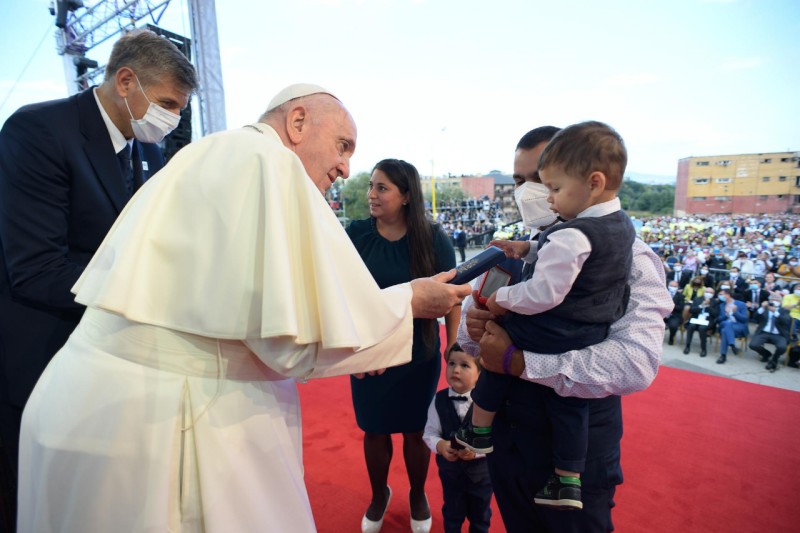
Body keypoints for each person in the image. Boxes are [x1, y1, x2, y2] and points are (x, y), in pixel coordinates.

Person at [16, 84, 471, 533]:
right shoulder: (269, 165)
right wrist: (408, 301)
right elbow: (288, 342)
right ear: (297, 122)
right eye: (342, 145)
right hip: (162, 420)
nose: (344, 166)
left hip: (88, 402)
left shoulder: (210, 152)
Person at [0, 28, 197, 529]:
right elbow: (37, 269)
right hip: (40, 356)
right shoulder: (39, 131)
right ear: (127, 81)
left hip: (110, 360)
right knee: (37, 501)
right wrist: (154, 291)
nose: (172, 119)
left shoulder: (148, 152)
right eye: (169, 104)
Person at [459, 126, 672, 532]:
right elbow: (469, 344)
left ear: (587, 180)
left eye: (539, 180)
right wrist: (475, 326)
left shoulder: (631, 258)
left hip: (575, 456)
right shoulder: (520, 249)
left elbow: (636, 362)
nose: (529, 192)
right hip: (507, 441)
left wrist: (520, 362)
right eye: (519, 181)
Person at [347, 158, 460, 533]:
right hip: (369, 353)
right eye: (371, 186)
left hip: (419, 353)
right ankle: (380, 494)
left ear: (407, 196)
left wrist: (453, 347)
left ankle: (416, 494)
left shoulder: (432, 238)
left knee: (415, 429)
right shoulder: (356, 234)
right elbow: (341, 293)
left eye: (382, 188)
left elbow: (453, 297)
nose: (371, 195)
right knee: (374, 430)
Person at [423, 343, 492, 533]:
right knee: (452, 514)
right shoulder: (438, 400)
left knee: (481, 517)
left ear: (480, 374)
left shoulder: (486, 403)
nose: (456, 370)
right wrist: (441, 445)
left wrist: (476, 452)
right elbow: (429, 433)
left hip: (481, 476)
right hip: (451, 475)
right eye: (452, 363)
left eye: (465, 365)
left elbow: (494, 438)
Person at [749, 294, 791, 372]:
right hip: (764, 332)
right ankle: (766, 354)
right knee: (753, 345)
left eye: (777, 300)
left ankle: (775, 358)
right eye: (772, 299)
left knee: (782, 347)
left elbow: (786, 322)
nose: (774, 301)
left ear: (780, 301)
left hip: (778, 334)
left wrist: (775, 312)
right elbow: (755, 317)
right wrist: (762, 307)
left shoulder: (784, 310)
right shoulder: (765, 309)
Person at [715, 288, 749, 364]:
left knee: (724, 331)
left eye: (721, 294)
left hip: (738, 326)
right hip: (725, 324)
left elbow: (744, 319)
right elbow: (719, 319)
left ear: (728, 295)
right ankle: (732, 345)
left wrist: (735, 312)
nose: (720, 296)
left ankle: (723, 355)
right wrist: (727, 315)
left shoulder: (741, 304)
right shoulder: (721, 305)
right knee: (727, 324)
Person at [683, 287, 719, 357]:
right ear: (704, 292)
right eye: (707, 292)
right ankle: (687, 346)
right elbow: (691, 310)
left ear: (713, 294)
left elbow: (715, 314)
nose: (709, 294)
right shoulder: (697, 299)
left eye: (711, 293)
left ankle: (703, 348)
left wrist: (708, 306)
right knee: (691, 326)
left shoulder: (715, 302)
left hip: (707, 321)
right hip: (696, 319)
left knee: (702, 328)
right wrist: (701, 306)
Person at [665, 280, 686, 345]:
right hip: (662, 314)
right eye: (671, 286)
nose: (673, 287)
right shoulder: (663, 293)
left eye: (675, 286)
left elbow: (680, 307)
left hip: (674, 315)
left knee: (673, 326)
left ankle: (671, 338)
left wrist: (671, 306)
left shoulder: (680, 296)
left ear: (677, 287)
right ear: (668, 286)